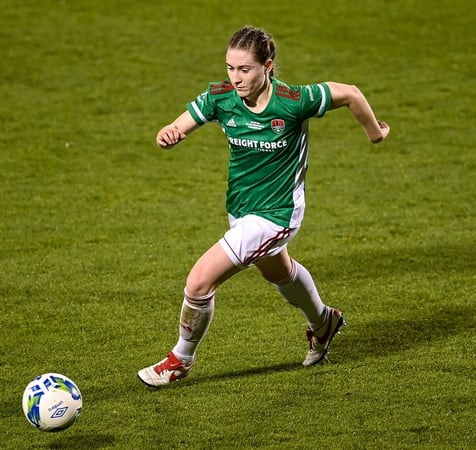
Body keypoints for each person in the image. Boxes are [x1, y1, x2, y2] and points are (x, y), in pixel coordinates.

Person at [137, 25, 390, 388]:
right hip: (241, 208)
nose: (235, 78)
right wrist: (170, 133)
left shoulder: (293, 100)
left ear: (267, 66)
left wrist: (374, 133)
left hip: (277, 214)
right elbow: (179, 125)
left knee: (198, 283)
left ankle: (180, 360)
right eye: (230, 68)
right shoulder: (220, 97)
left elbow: (350, 93)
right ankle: (324, 322)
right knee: (278, 273)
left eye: (245, 69)